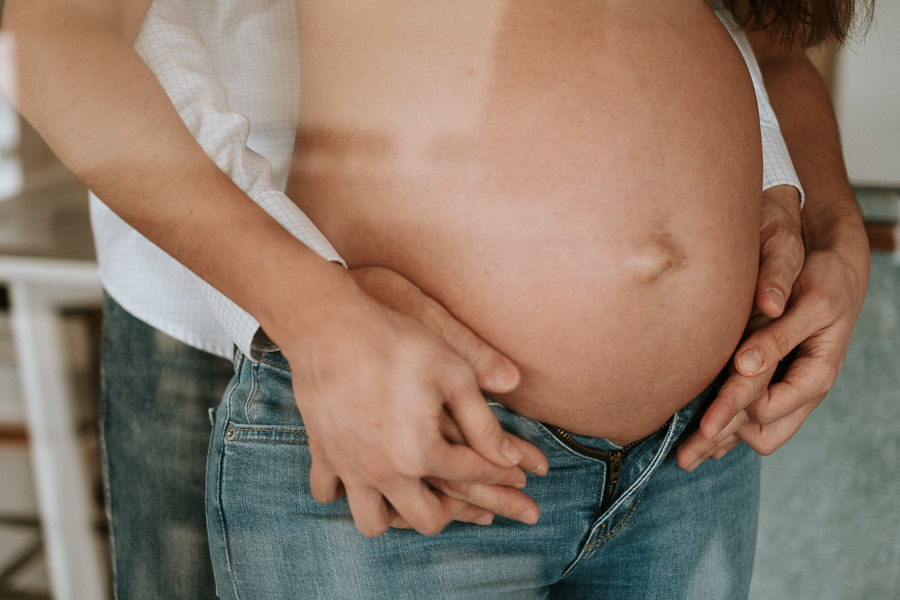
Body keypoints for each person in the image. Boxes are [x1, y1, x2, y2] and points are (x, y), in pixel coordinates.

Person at [0, 0, 870, 597]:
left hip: (697, 449)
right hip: (412, 433)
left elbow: (773, 35)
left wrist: (831, 218)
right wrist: (310, 306)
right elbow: (54, 31)